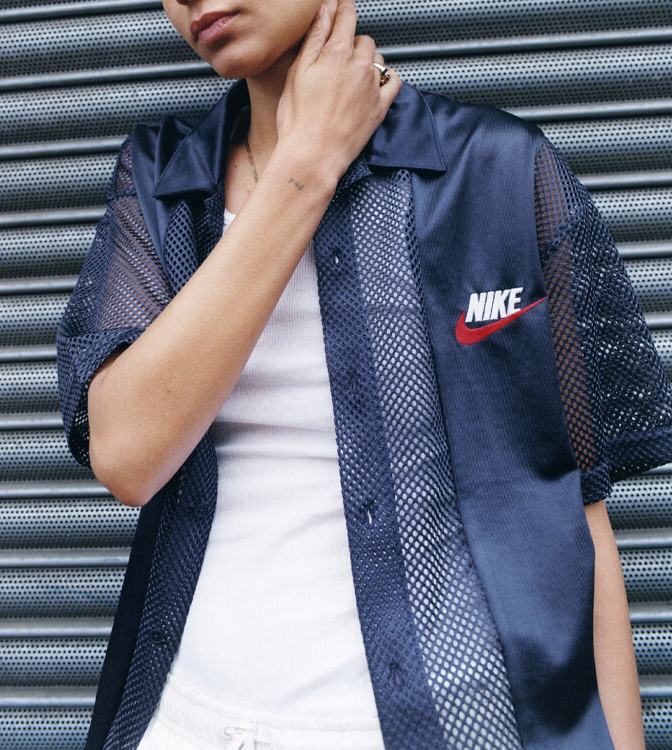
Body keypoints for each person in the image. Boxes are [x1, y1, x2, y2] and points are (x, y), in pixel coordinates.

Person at [55, 0, 669, 748]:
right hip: (186, 719)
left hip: (445, 721)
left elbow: (577, 509)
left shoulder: (500, 168)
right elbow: (127, 456)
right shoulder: (161, 177)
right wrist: (307, 164)